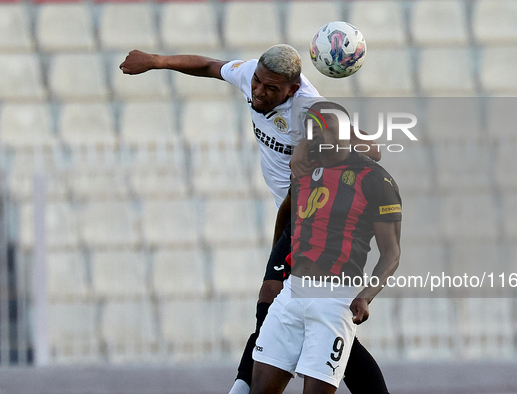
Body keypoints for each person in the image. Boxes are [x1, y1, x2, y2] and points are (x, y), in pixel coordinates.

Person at [119, 45, 390, 394]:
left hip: (319, 220)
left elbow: (375, 151)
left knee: (272, 303)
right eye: (258, 84)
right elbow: (208, 65)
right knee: (299, 319)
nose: (259, 92)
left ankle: (241, 388)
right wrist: (156, 62)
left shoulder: (311, 108)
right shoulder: (251, 76)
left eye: (271, 89)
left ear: (291, 89)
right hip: (292, 214)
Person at [250, 101, 402, 394]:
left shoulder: (375, 179)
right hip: (292, 293)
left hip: (334, 301)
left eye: (327, 130)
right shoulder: (306, 171)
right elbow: (285, 213)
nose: (319, 137)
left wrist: (366, 296)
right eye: (313, 132)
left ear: (347, 133)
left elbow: (391, 253)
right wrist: (276, 266)